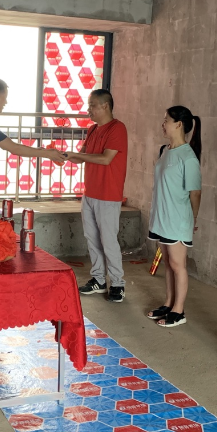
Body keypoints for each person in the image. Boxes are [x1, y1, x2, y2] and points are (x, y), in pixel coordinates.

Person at [0, 78, 66, 214]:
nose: (6, 102)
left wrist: (43, 150)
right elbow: (14, 148)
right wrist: (47, 154)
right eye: (4, 98)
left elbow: (13, 146)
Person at [66, 89, 128, 303]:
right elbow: (81, 156)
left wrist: (77, 155)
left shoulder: (117, 128)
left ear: (105, 106)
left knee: (108, 241)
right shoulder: (92, 129)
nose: (88, 110)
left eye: (92, 105)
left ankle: (118, 284)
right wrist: (62, 155)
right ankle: (98, 279)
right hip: (90, 193)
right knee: (92, 238)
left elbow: (105, 159)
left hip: (108, 195)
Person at [146, 106, 202, 327]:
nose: (163, 124)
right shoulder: (165, 150)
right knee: (168, 264)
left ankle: (179, 311)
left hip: (178, 219)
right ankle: (169, 303)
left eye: (166, 120)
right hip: (162, 218)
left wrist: (193, 219)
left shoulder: (188, 157)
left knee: (178, 264)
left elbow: (195, 193)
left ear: (178, 124)